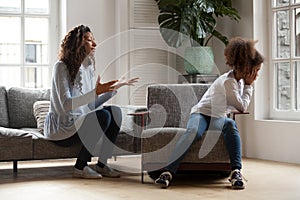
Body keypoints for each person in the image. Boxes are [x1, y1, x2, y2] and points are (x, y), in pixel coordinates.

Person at [152, 37, 264, 189]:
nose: (256, 75)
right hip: (201, 114)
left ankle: (236, 171)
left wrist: (245, 86)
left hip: (217, 118)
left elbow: (236, 106)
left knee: (230, 125)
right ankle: (168, 172)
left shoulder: (238, 81)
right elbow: (242, 106)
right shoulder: (228, 82)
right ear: (246, 67)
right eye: (256, 71)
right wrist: (249, 86)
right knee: (193, 131)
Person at [44, 25, 138, 179]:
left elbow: (90, 106)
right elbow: (66, 105)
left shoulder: (87, 68)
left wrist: (113, 89)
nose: (94, 44)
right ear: (78, 43)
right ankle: (80, 167)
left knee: (114, 111)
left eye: (94, 40)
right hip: (62, 129)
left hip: (78, 124)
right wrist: (95, 92)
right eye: (89, 40)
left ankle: (102, 165)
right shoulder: (61, 67)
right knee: (104, 116)